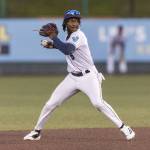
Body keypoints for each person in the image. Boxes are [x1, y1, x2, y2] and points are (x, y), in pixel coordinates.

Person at [24, 10, 135, 141]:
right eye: (71, 20)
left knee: (98, 103)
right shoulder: (67, 37)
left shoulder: (79, 35)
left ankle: (124, 127)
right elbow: (67, 49)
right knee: (50, 104)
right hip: (72, 77)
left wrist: (53, 37)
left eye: (76, 21)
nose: (74, 23)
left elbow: (68, 49)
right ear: (66, 22)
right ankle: (37, 132)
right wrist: (53, 45)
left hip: (88, 77)